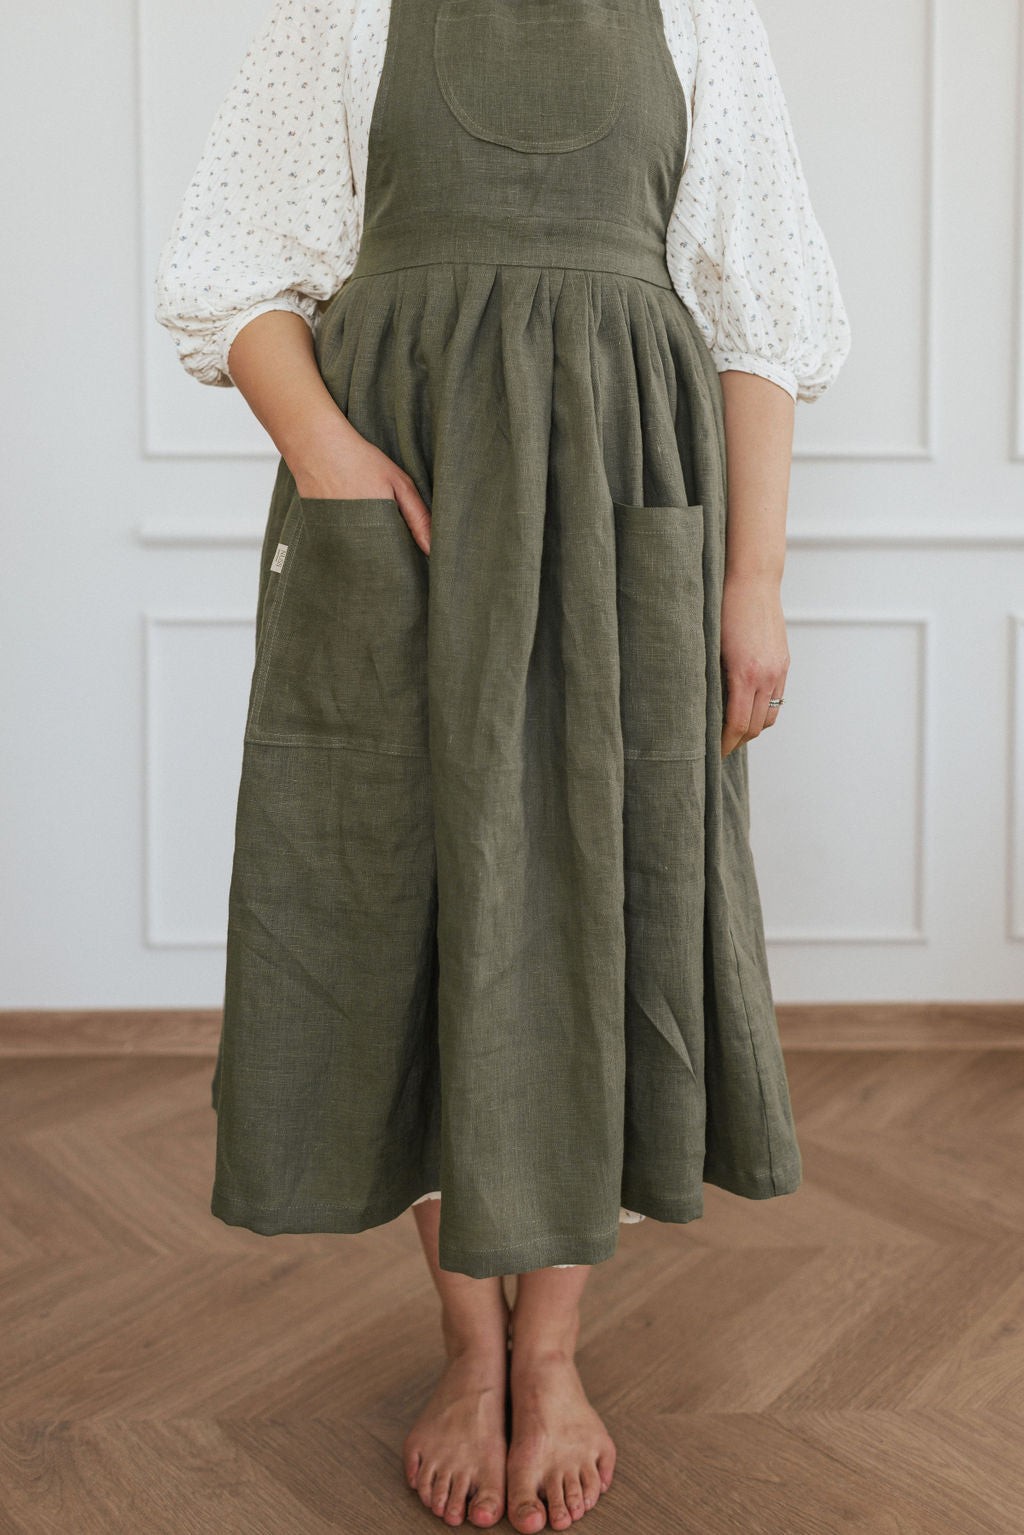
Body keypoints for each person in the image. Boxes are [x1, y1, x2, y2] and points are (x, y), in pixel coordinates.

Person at [154, 0, 851, 1527]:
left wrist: (755, 580)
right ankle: (472, 1352)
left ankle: (557, 1352)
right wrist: (332, 459)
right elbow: (229, 275)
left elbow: (756, 313)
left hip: (626, 515)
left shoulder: (702, 13)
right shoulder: (337, 5)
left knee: (604, 905)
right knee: (411, 913)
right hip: (406, 507)